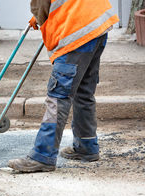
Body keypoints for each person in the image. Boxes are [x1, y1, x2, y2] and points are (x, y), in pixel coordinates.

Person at [8, 0, 119, 172]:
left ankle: (42, 156)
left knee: (58, 96)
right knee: (83, 91)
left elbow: (40, 7)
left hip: (76, 30)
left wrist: (39, 17)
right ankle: (86, 146)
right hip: (97, 24)